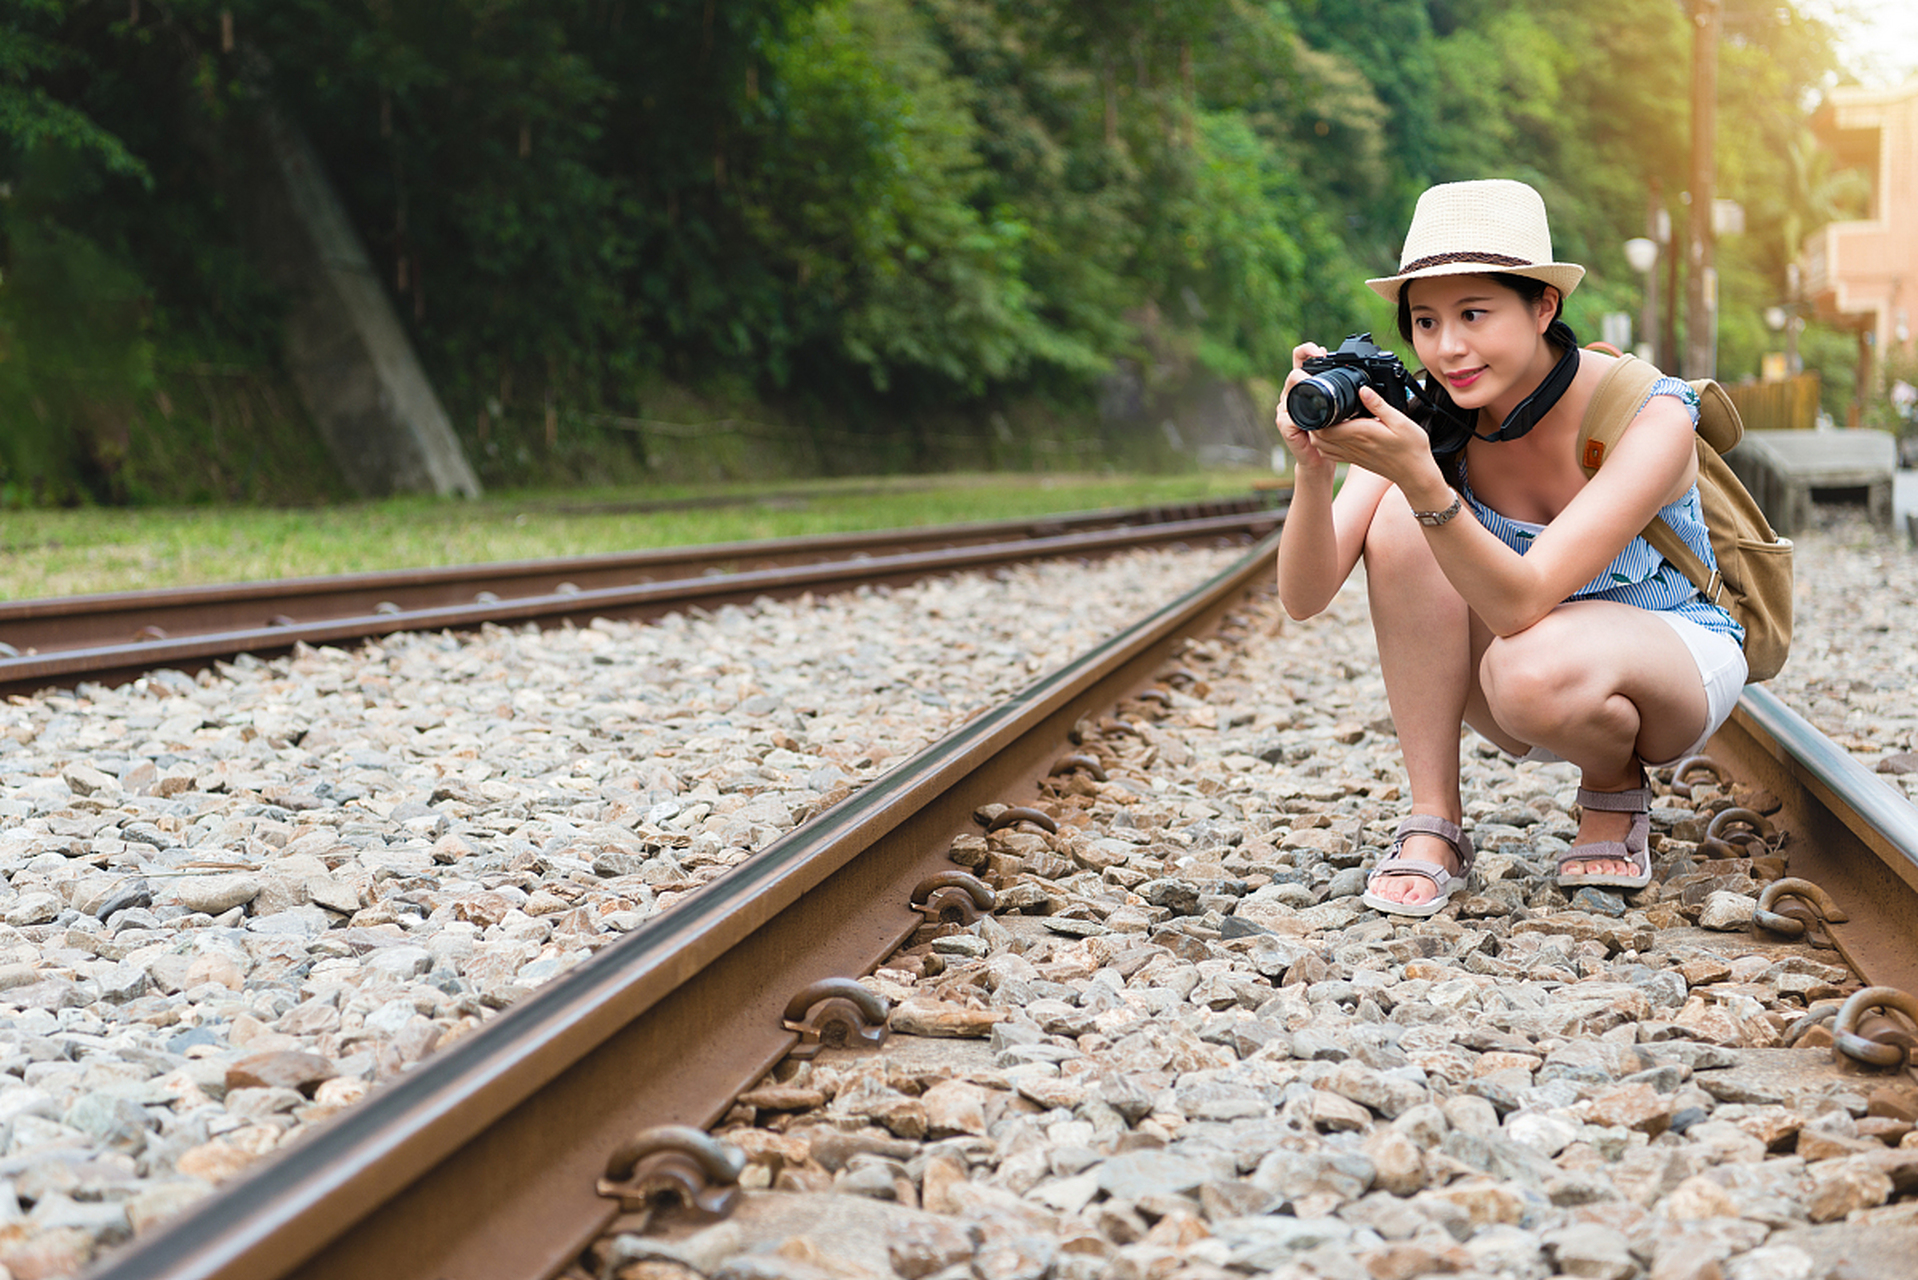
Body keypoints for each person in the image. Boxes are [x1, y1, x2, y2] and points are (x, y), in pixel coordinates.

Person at [1274, 178, 1747, 918]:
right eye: (1425, 322)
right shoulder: (1430, 419)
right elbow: (1304, 598)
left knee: (1525, 660)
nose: (1448, 347)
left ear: (1543, 305)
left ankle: (1616, 789)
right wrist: (1314, 471)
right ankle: (1435, 822)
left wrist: (1422, 480)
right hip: (1524, 670)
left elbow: (1526, 598)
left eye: (1474, 314)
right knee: (1399, 520)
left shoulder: (1647, 411)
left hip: (1671, 658)